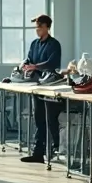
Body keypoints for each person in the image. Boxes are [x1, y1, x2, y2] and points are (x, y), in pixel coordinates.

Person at [20, 14, 63, 164]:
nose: (37, 30)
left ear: (46, 27)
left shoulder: (54, 45)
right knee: (38, 118)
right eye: (36, 28)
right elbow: (30, 58)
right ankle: (38, 153)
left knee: (50, 119)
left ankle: (53, 148)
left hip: (49, 85)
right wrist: (25, 64)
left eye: (39, 27)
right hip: (36, 84)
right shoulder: (34, 44)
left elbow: (53, 63)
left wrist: (36, 66)